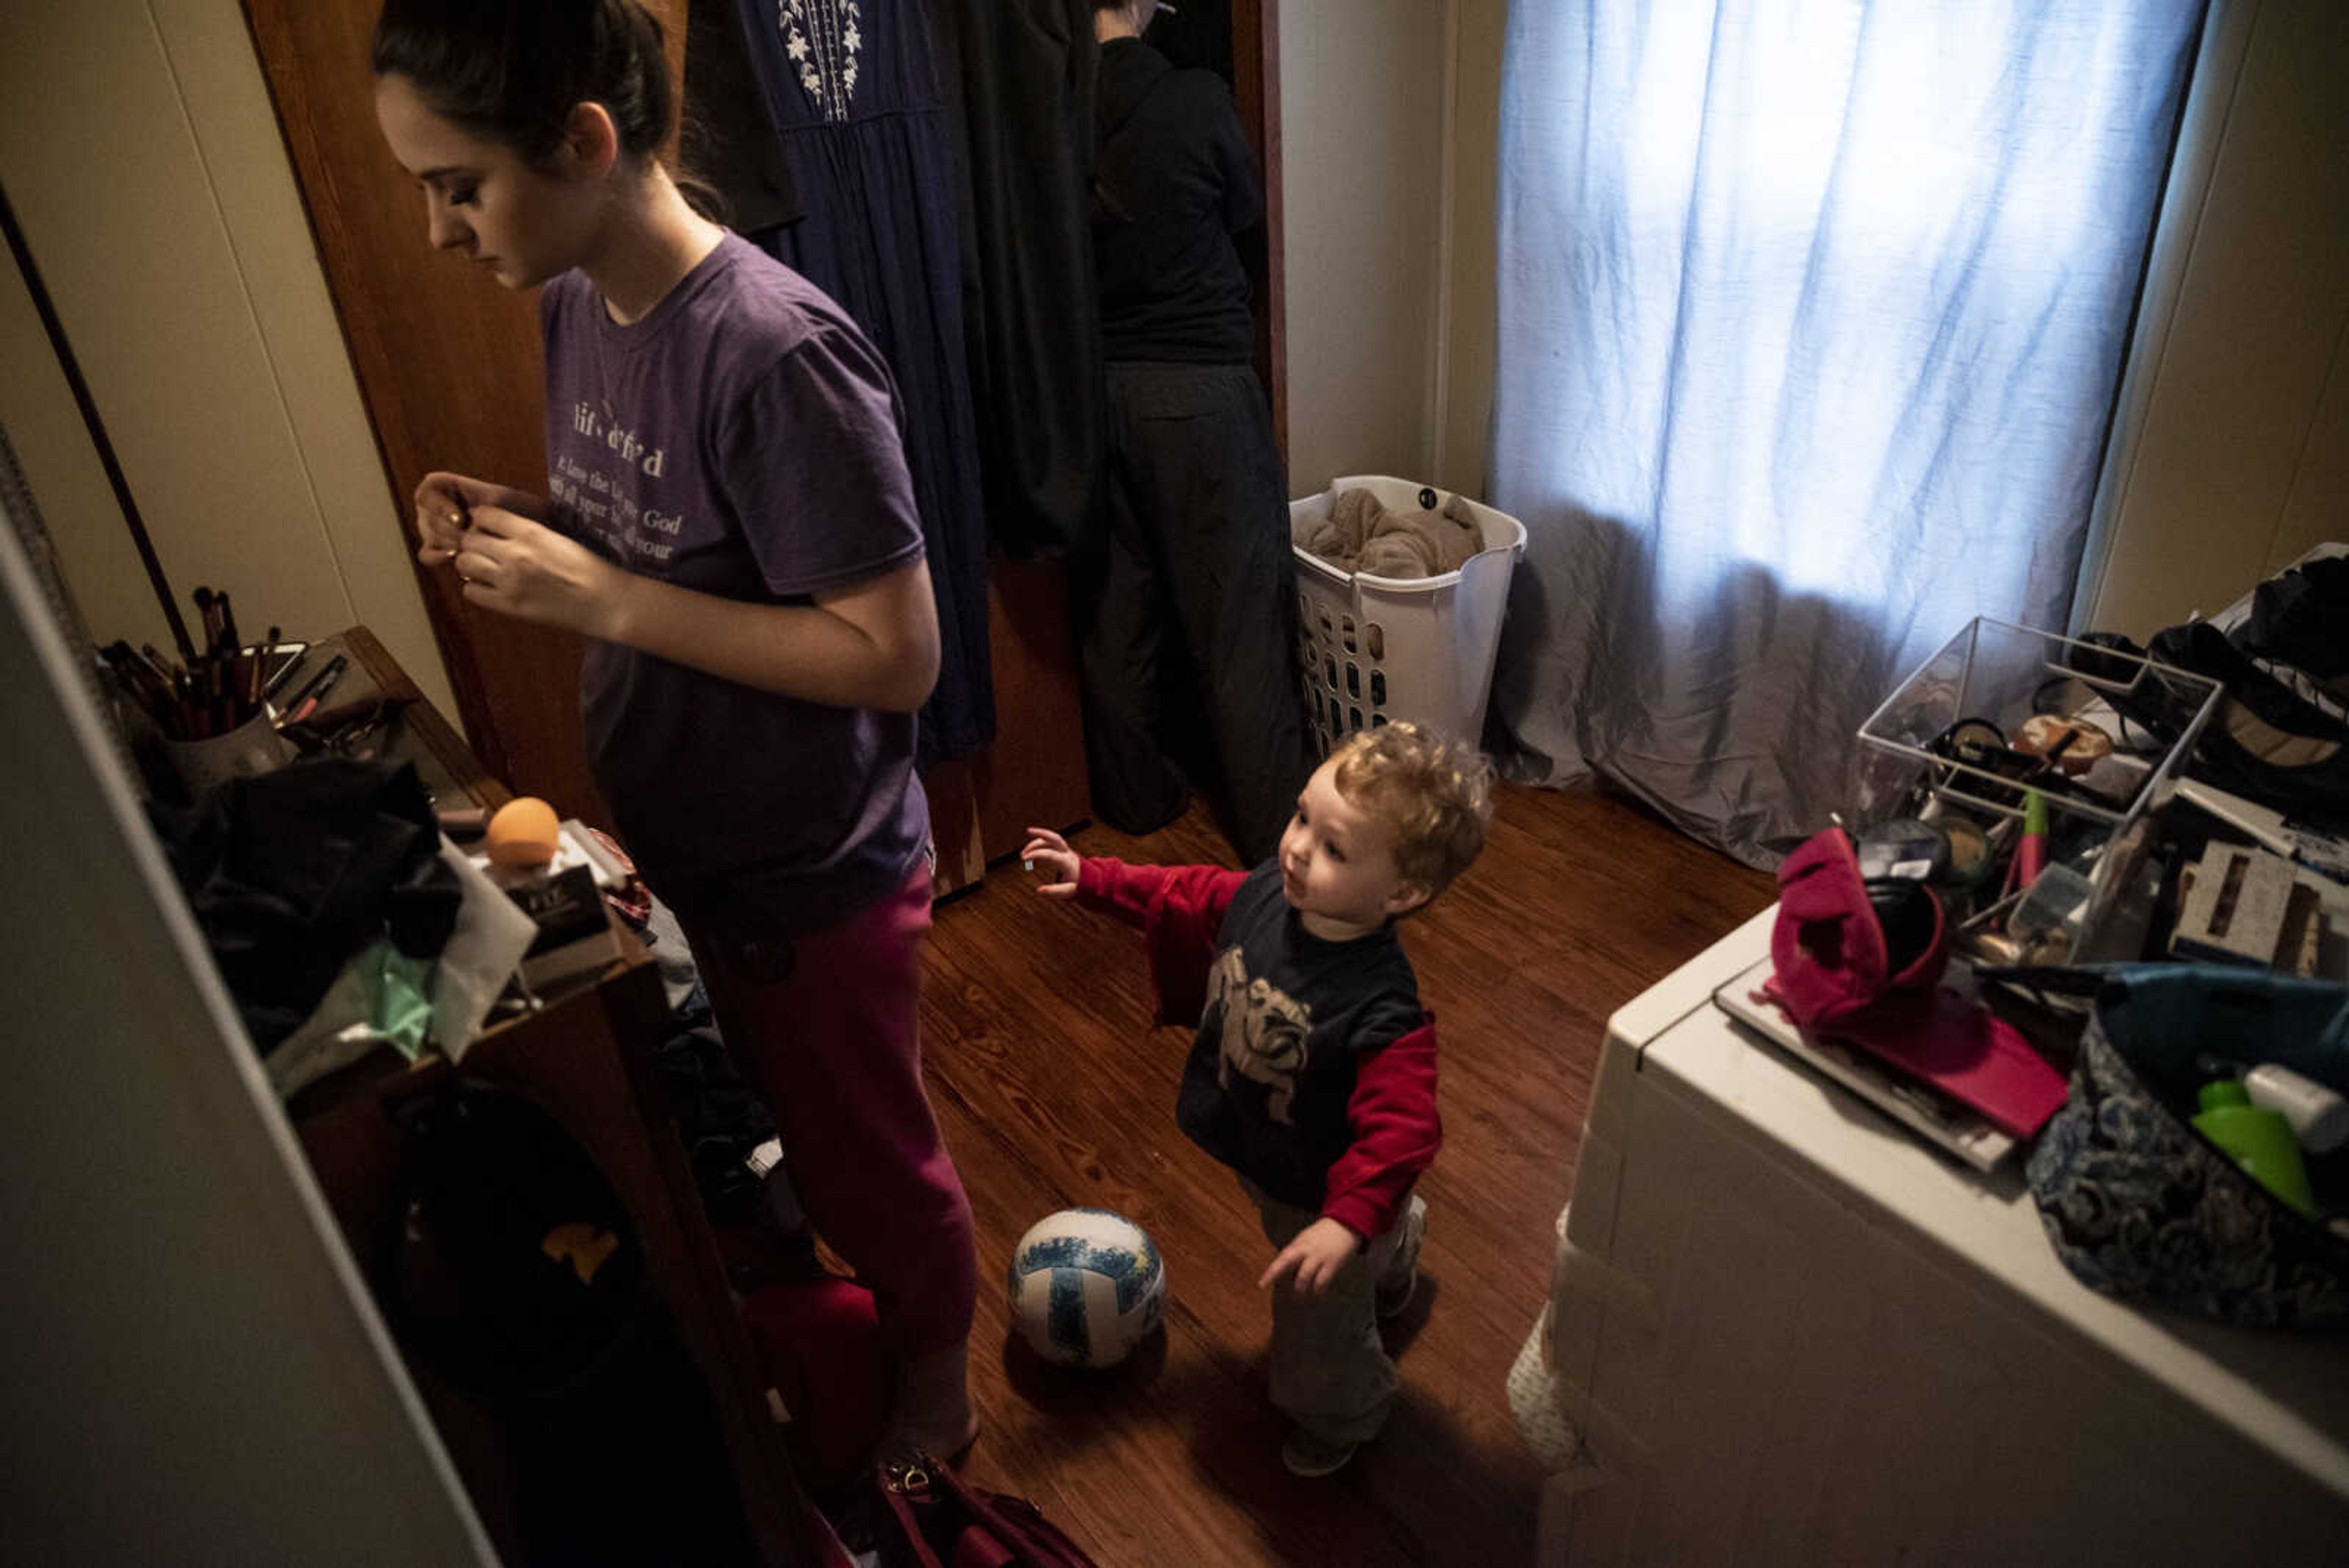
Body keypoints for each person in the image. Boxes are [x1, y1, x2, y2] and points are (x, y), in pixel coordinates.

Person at [369, 0, 977, 1460]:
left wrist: (602, 604)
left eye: (459, 187)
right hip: (701, 843)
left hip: (813, 878)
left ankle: (939, 1381)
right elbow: (684, 542)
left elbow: (895, 657)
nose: (443, 232)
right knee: (779, 1127)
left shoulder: (775, 355)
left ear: (583, 142)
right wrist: (534, 523)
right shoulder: (580, 298)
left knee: (869, 1167)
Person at [1023, 722, 1492, 1475]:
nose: (1300, 847)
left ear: (1402, 892)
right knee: (1331, 1226)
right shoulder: (1273, 891)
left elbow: (1403, 1132)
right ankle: (1392, 1236)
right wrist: (1098, 877)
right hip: (1270, 1144)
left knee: (1316, 1323)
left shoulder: (1382, 1010)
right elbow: (1189, 893)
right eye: (1303, 815)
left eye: (1335, 848)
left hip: (1323, 1192)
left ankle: (1344, 1410)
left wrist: (1344, 1221)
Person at [1078, 0, 1315, 864]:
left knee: (1119, 606)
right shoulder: (1195, 98)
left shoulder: (1054, 112)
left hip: (1098, 392)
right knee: (1240, 617)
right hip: (1201, 390)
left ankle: (1135, 799)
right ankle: (1277, 834)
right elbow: (1246, 213)